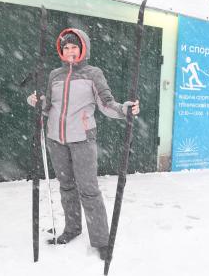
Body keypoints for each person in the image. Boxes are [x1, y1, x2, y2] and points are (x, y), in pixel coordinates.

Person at [27, 28, 139, 260]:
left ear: (82, 49)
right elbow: (48, 107)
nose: (69, 51)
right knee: (66, 187)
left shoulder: (92, 73)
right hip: (56, 139)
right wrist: (37, 101)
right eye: (66, 47)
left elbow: (106, 103)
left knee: (88, 190)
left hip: (82, 139)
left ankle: (101, 241)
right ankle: (72, 228)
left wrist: (125, 109)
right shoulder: (54, 75)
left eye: (74, 47)